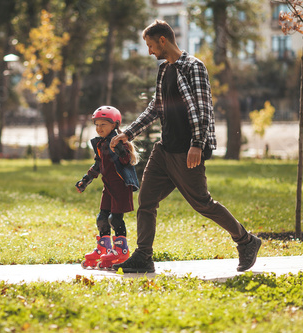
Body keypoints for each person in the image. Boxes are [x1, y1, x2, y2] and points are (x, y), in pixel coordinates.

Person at [110, 20, 261, 273]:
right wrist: (128, 133)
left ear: (162, 40)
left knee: (202, 203)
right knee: (146, 201)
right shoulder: (163, 71)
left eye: (150, 45)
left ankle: (246, 241)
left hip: (187, 149)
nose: (149, 52)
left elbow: (203, 109)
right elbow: (155, 108)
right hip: (165, 149)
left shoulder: (194, 67)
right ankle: (144, 256)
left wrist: (197, 145)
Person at [76, 106, 140, 269]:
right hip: (108, 186)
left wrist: (120, 151)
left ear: (114, 125)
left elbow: (126, 161)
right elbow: (98, 164)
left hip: (120, 186)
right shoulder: (101, 143)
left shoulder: (118, 142)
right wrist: (86, 180)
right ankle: (103, 248)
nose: (99, 128)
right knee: (102, 218)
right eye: (97, 124)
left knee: (115, 219)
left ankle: (121, 251)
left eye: (103, 124)